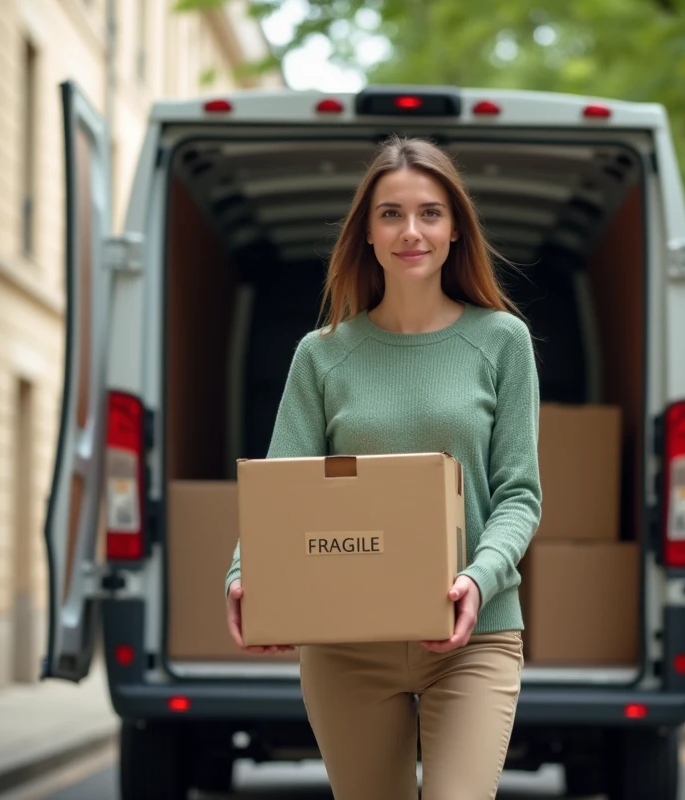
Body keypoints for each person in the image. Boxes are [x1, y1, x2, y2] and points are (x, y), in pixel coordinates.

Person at [224, 135, 542, 799]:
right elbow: (281, 492)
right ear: (366, 234)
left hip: (473, 637)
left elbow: (519, 494)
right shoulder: (322, 355)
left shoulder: (501, 342)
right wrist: (245, 573)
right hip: (347, 642)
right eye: (390, 214)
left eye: (430, 212)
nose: (411, 231)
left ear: (455, 228)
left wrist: (478, 580)